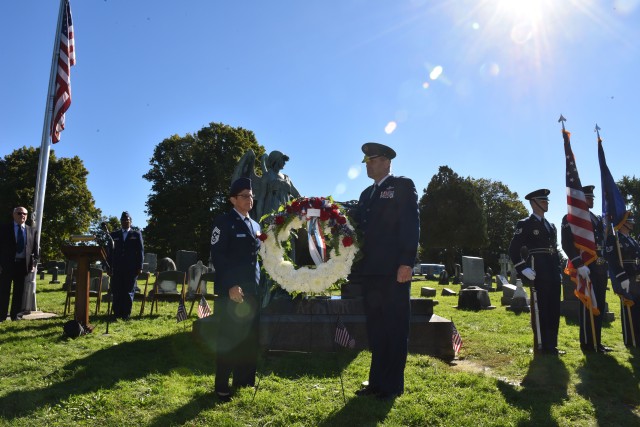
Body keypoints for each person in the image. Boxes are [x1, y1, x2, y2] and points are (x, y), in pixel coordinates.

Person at [351, 142, 420, 400]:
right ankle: (377, 383)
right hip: (370, 272)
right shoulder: (366, 194)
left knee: (394, 327)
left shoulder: (402, 186)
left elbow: (411, 225)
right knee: (376, 329)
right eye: (366, 161)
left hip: (394, 270)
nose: (368, 164)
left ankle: (392, 386)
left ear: (386, 162)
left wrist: (406, 262)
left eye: (373, 160)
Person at [210, 177, 262, 402]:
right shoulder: (223, 222)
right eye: (244, 196)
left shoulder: (255, 224)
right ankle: (222, 385)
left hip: (252, 290)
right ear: (232, 199)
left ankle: (244, 380)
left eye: (251, 195)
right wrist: (231, 285)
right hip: (233, 291)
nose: (249, 199)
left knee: (250, 337)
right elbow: (218, 256)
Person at [509, 189, 563, 355]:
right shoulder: (525, 224)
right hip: (538, 271)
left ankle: (551, 345)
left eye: (547, 200)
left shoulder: (550, 226)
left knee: (554, 309)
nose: (546, 203)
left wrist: (558, 270)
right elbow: (513, 249)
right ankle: (541, 345)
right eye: (542, 200)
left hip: (553, 272)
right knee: (541, 309)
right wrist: (522, 268)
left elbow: (554, 250)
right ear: (534, 203)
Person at [561, 185, 611, 352]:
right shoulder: (571, 218)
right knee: (587, 303)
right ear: (582, 199)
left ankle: (597, 342)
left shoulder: (596, 219)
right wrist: (579, 264)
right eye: (589, 197)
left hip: (600, 268)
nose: (592, 200)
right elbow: (567, 244)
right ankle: (587, 344)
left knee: (599, 306)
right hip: (586, 267)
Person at [605, 212, 640, 347]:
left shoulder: (631, 240)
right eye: (629, 221)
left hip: (636, 278)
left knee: (637, 309)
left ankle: (638, 337)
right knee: (629, 308)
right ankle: (630, 340)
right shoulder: (615, 239)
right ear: (623, 223)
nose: (631, 223)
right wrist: (621, 276)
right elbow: (613, 260)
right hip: (626, 277)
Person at [0, 207, 39, 321]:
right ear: (13, 215)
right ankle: (1, 315)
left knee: (19, 291)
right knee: (3, 290)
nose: (22, 215)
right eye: (19, 213)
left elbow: (35, 251)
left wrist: (33, 264)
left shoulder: (31, 231)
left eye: (25, 214)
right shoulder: (3, 228)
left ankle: (16, 315)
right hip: (6, 265)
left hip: (22, 265)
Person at [106, 211, 144, 321]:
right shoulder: (114, 235)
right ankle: (116, 313)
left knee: (128, 291)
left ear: (130, 222)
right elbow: (109, 253)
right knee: (117, 290)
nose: (125, 222)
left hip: (131, 268)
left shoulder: (136, 234)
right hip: (116, 268)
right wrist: (108, 267)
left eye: (127, 220)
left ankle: (126, 314)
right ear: (120, 222)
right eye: (123, 220)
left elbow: (140, 251)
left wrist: (139, 267)